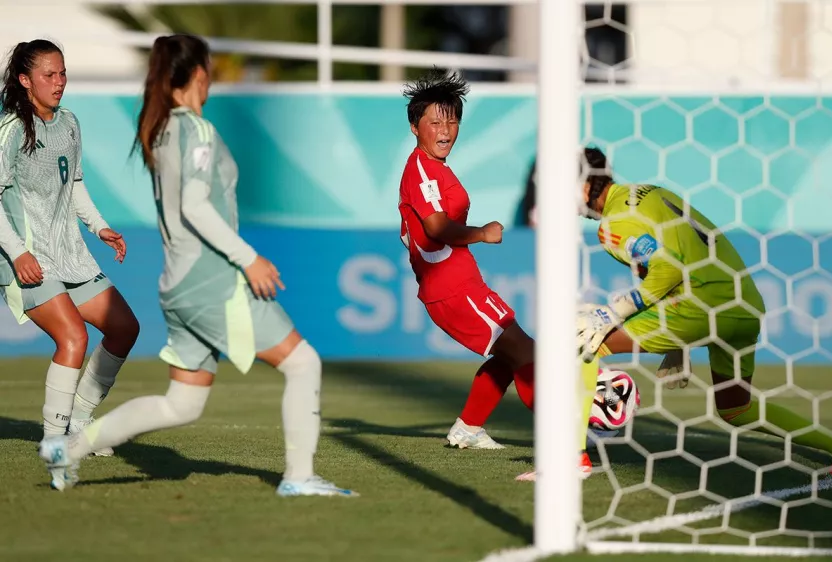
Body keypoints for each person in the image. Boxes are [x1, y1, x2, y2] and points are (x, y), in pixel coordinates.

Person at [37, 34, 356, 498]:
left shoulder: (162, 130)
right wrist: (250, 260)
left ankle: (69, 448)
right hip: (211, 282)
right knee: (303, 363)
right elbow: (196, 206)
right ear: (200, 74)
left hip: (177, 286)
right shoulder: (196, 129)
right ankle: (300, 477)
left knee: (182, 404)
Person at [573, 146, 832, 485]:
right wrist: (678, 346)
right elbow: (680, 254)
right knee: (735, 408)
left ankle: (572, 456)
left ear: (584, 184)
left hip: (699, 305)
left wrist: (613, 312)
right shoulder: (653, 192)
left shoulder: (612, 226)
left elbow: (667, 270)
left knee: (586, 342)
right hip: (743, 303)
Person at [398, 69, 593, 477]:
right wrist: (481, 234)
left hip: (461, 284)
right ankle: (565, 453)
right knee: (528, 353)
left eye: (452, 120)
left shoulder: (436, 167)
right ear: (415, 125)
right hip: (452, 289)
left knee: (509, 354)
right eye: (436, 120)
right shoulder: (421, 170)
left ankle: (468, 427)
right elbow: (435, 227)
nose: (446, 128)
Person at [0, 39, 139, 489]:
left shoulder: (70, 124)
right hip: (27, 257)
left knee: (124, 328)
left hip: (71, 255)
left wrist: (99, 228)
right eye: (49, 75)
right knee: (73, 338)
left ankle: (79, 421)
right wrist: (17, 252)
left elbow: (74, 183)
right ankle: (55, 442)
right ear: (25, 80)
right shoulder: (10, 132)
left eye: (63, 73)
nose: (59, 83)